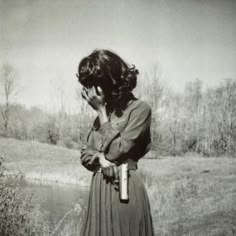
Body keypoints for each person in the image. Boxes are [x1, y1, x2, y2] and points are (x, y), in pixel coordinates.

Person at [76, 49, 154, 236]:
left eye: (94, 86)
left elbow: (117, 151)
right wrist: (99, 160)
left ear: (108, 83)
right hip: (99, 191)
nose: (91, 94)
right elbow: (85, 155)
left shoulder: (140, 110)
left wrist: (102, 114)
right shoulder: (103, 116)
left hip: (124, 188)